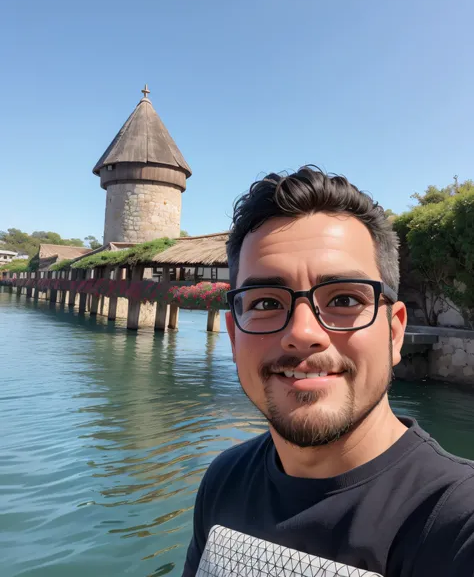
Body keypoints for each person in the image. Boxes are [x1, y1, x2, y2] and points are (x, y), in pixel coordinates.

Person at [182, 166, 474, 577]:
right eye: (266, 303)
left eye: (344, 299)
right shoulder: (225, 480)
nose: (302, 333)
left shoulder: (457, 524)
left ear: (394, 333)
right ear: (233, 338)